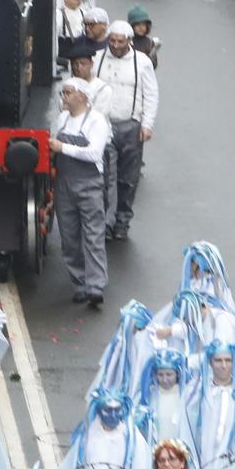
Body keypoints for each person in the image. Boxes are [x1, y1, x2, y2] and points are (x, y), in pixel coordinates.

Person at [50, 77, 111, 309]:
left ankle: (96, 286)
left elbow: (95, 153)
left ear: (82, 97)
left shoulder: (96, 122)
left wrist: (62, 147)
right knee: (69, 236)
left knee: (93, 235)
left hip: (89, 183)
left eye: (67, 93)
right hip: (65, 183)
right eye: (63, 93)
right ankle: (80, 283)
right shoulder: (63, 119)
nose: (63, 97)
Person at [94, 20, 158, 241]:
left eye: (120, 41)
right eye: (112, 40)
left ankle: (122, 220)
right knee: (106, 177)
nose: (115, 45)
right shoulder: (98, 59)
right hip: (104, 127)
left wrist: (147, 124)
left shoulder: (142, 63)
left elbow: (150, 95)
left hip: (131, 126)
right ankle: (107, 222)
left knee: (127, 179)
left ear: (129, 41)